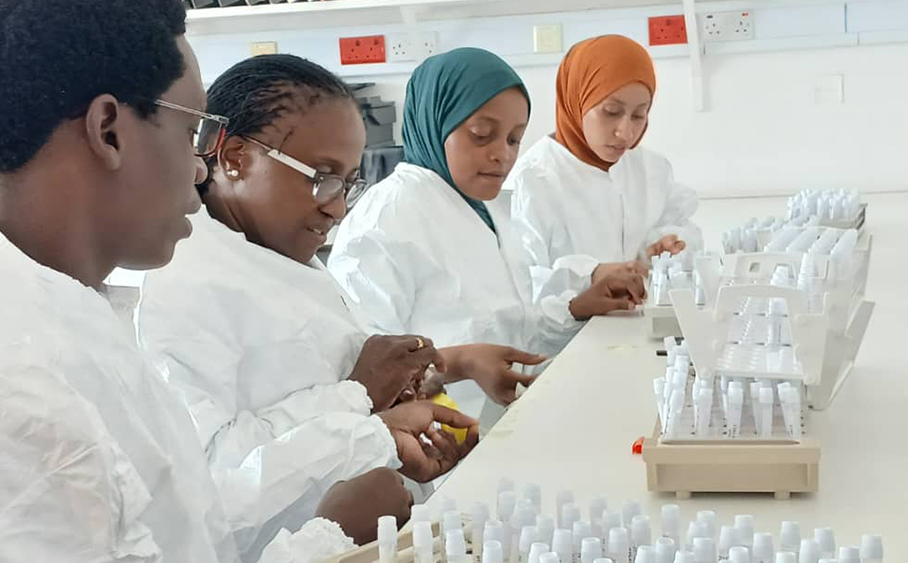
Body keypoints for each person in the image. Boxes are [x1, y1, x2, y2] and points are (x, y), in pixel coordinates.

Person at [0, 2, 464, 561]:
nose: (201, 166)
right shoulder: (26, 386)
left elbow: (189, 522)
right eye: (192, 131)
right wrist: (327, 534)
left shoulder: (72, 316)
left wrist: (371, 426)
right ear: (109, 130)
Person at [136, 54, 539, 559]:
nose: (338, 205)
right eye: (320, 176)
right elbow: (212, 481)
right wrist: (362, 408)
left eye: (348, 181)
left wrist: (402, 412)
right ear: (236, 156)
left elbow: (321, 389)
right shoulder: (181, 284)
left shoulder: (278, 249)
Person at [328, 48, 645, 419]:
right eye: (482, 135)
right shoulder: (387, 217)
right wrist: (459, 363)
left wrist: (575, 309)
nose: (503, 155)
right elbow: (362, 373)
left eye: (513, 140)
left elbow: (512, 328)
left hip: (501, 427)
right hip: (431, 450)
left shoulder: (487, 207)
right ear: (436, 121)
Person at [507, 35, 702, 293]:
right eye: (611, 112)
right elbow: (523, 286)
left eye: (639, 115)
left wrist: (664, 247)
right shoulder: (533, 179)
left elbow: (682, 229)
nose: (626, 132)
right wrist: (591, 276)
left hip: (640, 325)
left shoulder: (651, 169)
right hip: (573, 334)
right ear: (576, 100)